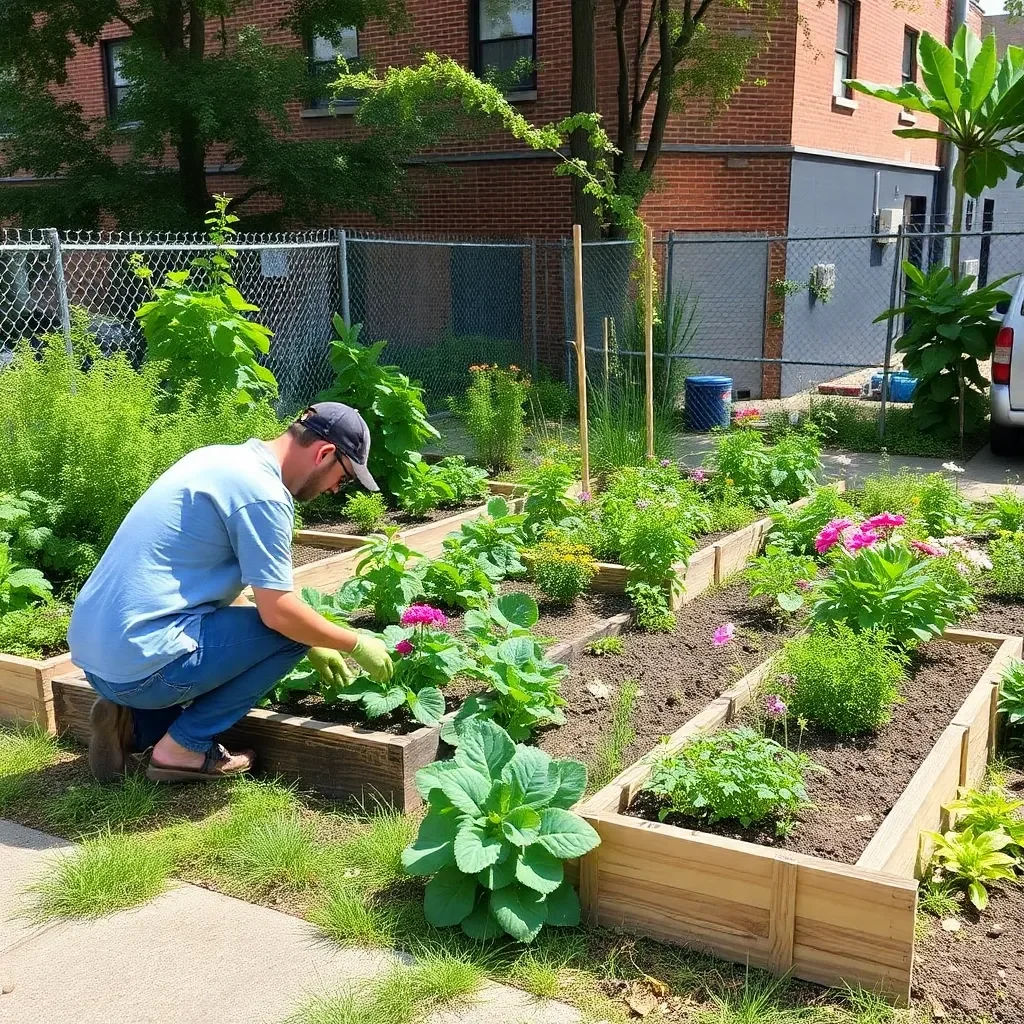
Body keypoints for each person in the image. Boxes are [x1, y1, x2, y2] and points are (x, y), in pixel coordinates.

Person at [67, 402, 394, 783]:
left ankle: (134, 721)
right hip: (139, 664)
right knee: (287, 636)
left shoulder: (217, 459)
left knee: (285, 630)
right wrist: (350, 642)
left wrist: (312, 633)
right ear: (323, 454)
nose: (337, 488)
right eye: (345, 476)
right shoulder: (265, 496)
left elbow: (217, 590)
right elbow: (278, 614)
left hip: (96, 661)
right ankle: (183, 748)